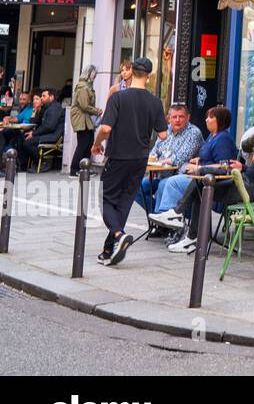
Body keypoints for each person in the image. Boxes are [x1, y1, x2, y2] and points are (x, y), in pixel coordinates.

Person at [90, 58, 167, 266]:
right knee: (124, 202)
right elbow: (162, 135)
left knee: (106, 200)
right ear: (149, 76)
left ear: (131, 71)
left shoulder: (118, 98)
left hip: (118, 156)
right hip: (140, 159)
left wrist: (97, 144)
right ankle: (109, 250)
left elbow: (105, 129)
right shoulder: (155, 102)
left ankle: (117, 234)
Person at [148, 106, 238, 220]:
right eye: (206, 117)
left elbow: (225, 166)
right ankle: (163, 219)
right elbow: (209, 157)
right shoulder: (212, 136)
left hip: (212, 183)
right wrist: (199, 160)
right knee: (143, 185)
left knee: (171, 182)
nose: (206, 120)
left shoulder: (223, 139)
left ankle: (173, 218)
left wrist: (199, 167)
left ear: (219, 120)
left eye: (210, 117)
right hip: (199, 176)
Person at [134, 104, 204, 214]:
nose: (177, 120)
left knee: (164, 184)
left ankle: (162, 223)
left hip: (183, 177)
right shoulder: (165, 131)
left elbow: (181, 157)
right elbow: (154, 152)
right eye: (174, 117)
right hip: (161, 175)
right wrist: (154, 159)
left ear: (188, 117)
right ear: (168, 118)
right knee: (137, 188)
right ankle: (157, 216)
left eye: (181, 117)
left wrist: (163, 161)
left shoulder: (194, 132)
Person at [18, 88, 65, 172]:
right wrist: (34, 110)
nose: (42, 98)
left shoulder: (54, 108)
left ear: (51, 97)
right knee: (22, 138)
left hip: (53, 137)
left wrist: (34, 134)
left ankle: (44, 163)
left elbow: (49, 127)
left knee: (28, 143)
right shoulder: (47, 108)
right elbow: (34, 122)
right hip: (48, 134)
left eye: (44, 96)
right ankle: (24, 165)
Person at [68, 66, 100, 174]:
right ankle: (75, 169)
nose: (95, 76)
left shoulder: (86, 86)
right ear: (90, 74)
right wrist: (96, 111)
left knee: (89, 142)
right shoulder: (83, 87)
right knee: (83, 144)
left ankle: (84, 168)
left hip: (85, 119)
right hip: (81, 118)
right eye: (94, 74)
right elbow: (84, 105)